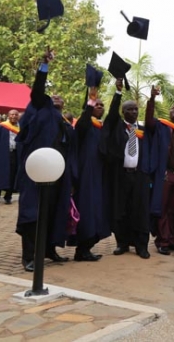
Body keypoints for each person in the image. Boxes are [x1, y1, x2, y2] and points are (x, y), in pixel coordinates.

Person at [14, 48, 74, 272]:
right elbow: (38, 90)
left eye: (60, 97)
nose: (56, 97)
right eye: (53, 96)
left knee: (54, 212)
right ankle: (29, 256)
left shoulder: (63, 123)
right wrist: (44, 65)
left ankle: (49, 249)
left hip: (57, 175)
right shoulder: (40, 108)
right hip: (36, 172)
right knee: (33, 213)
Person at [101, 75, 153, 259]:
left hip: (139, 176)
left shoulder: (143, 130)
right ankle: (122, 243)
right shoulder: (117, 127)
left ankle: (141, 246)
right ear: (123, 112)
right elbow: (112, 114)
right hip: (121, 175)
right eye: (129, 109)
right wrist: (118, 92)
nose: (133, 112)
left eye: (135, 109)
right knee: (120, 210)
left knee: (140, 211)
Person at [145, 84, 174, 255]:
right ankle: (162, 241)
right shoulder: (162, 127)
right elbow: (149, 121)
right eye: (173, 108)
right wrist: (152, 99)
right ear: (169, 113)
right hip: (165, 175)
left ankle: (171, 239)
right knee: (162, 209)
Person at [73, 85, 112, 261]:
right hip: (86, 175)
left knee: (97, 212)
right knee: (87, 210)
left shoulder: (102, 128)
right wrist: (91, 100)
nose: (100, 107)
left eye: (102, 105)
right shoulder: (85, 125)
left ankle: (86, 248)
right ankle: (82, 248)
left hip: (101, 175)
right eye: (97, 105)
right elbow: (83, 120)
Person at [0, 110, 20, 205]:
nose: (14, 116)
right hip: (1, 154)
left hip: (15, 154)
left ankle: (8, 197)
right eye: (12, 114)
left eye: (16, 115)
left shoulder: (20, 128)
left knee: (12, 175)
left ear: (18, 116)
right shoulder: (0, 127)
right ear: (8, 116)